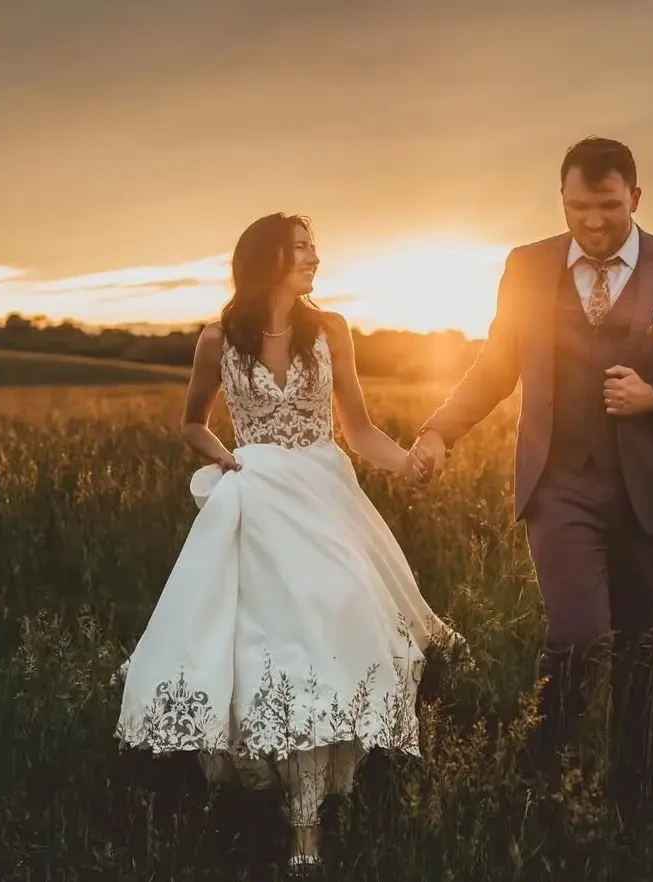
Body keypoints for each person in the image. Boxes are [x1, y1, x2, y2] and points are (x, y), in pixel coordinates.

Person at [410, 137, 653, 828]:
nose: (591, 221)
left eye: (606, 206)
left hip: (647, 490)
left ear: (635, 198)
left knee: (642, 650)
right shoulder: (527, 265)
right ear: (560, 199)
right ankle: (539, 781)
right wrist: (439, 430)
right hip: (558, 483)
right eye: (575, 207)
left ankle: (636, 803)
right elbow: (495, 365)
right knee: (576, 636)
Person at [114, 212, 464, 871]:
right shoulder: (217, 338)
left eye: (313, 249)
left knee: (329, 618)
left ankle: (315, 802)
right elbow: (192, 424)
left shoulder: (331, 329)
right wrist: (227, 461)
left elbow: (356, 430)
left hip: (325, 494)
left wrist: (407, 464)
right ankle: (281, 807)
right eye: (301, 249)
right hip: (256, 493)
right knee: (259, 637)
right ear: (264, 259)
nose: (314, 259)